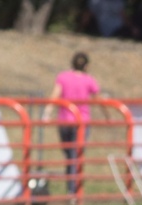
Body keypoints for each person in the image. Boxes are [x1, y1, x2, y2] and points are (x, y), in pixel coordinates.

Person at [42, 51, 101, 196]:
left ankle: (71, 187)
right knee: (74, 155)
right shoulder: (89, 79)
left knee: (69, 155)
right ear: (87, 66)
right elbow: (98, 99)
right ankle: (72, 190)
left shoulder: (63, 77)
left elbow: (55, 95)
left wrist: (47, 112)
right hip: (81, 122)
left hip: (64, 121)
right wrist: (108, 116)